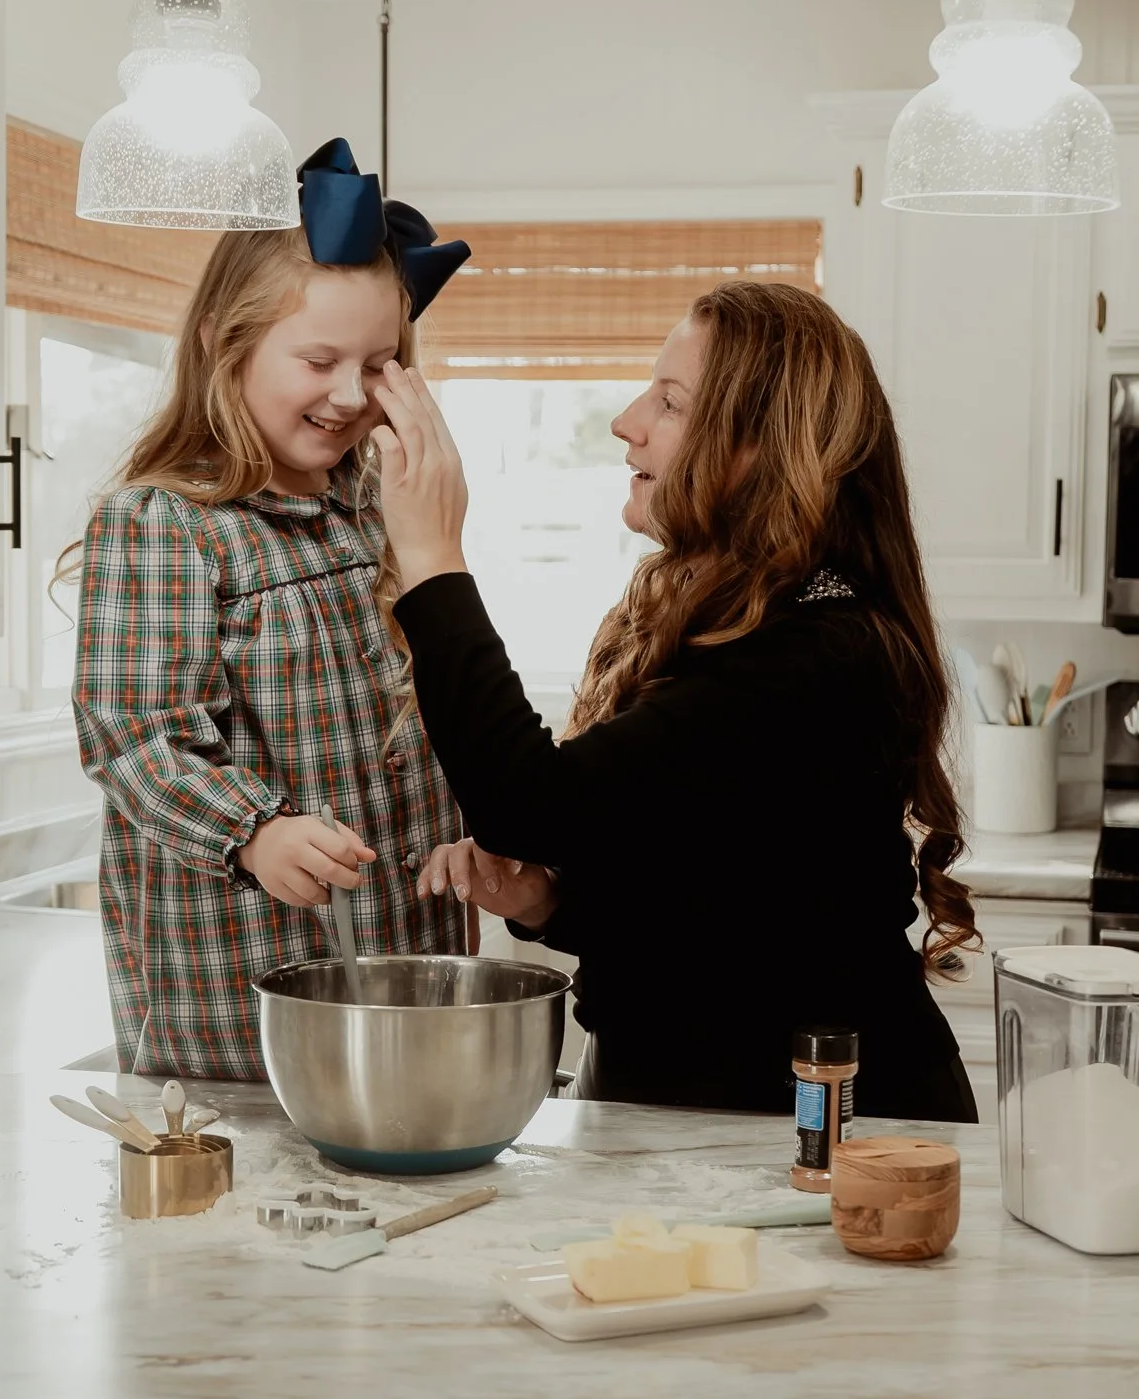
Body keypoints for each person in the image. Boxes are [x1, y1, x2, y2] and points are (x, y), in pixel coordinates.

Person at [374, 279, 980, 1120]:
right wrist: (548, 904)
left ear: (761, 450)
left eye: (670, 402)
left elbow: (525, 802)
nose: (626, 421)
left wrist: (432, 556)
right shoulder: (745, 623)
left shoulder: (820, 652)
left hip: (821, 1124)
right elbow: (721, 899)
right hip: (691, 1102)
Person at [71, 140, 471, 1081]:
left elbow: (433, 703)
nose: (349, 394)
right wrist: (253, 831)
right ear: (225, 342)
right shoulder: (166, 523)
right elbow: (134, 738)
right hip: (242, 995)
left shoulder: (379, 507)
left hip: (409, 955)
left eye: (380, 364)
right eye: (319, 359)